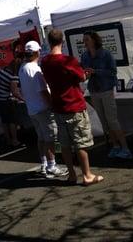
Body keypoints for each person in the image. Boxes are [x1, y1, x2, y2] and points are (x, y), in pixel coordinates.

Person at [40, 29, 104, 186]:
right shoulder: (68, 60)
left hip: (58, 106)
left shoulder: (45, 61)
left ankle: (72, 175)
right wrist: (86, 73)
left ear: (49, 42)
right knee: (80, 142)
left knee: (65, 144)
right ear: (62, 41)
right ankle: (87, 175)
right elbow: (81, 77)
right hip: (74, 105)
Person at [19, 41, 68, 178]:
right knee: (50, 138)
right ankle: (52, 166)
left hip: (32, 108)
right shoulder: (35, 69)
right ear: (36, 52)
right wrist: (52, 105)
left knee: (41, 138)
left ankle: (44, 163)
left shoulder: (23, 67)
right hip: (42, 108)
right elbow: (43, 91)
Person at [81, 31, 132, 159]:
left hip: (106, 89)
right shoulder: (84, 56)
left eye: (87, 39)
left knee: (112, 120)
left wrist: (96, 71)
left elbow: (113, 72)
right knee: (103, 121)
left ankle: (125, 148)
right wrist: (86, 74)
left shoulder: (105, 54)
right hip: (94, 90)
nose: (85, 42)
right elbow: (83, 72)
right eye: (84, 40)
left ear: (94, 40)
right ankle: (115, 146)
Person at [0, 41, 24, 148]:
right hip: (4, 99)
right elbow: (14, 91)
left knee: (4, 120)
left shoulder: (3, 70)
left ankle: (8, 140)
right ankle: (15, 140)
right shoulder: (13, 76)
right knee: (12, 121)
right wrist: (23, 98)